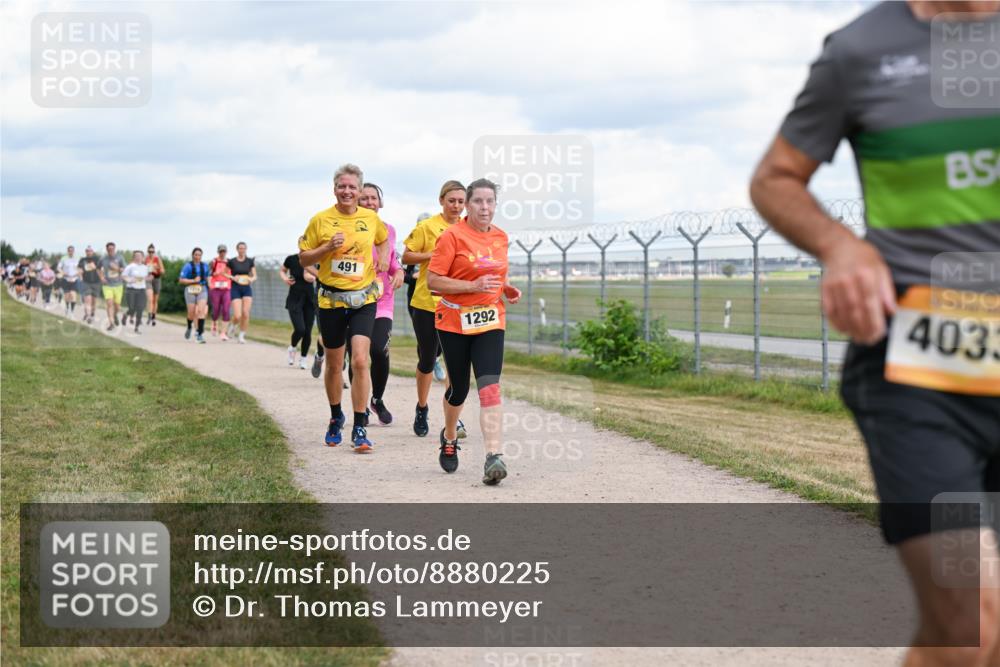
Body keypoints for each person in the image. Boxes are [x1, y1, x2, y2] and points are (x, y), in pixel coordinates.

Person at [749, 2, 1000, 665]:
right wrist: (841, 247)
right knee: (970, 618)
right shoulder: (860, 51)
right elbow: (775, 179)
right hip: (920, 376)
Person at [426, 178, 520, 485]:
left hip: (491, 320)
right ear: (467, 205)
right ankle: (450, 436)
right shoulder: (452, 236)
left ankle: (494, 456)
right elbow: (434, 281)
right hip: (454, 321)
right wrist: (472, 286)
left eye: (490, 201)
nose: (484, 207)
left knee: (490, 386)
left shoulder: (502, 237)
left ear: (495, 205)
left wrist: (505, 289)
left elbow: (491, 274)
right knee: (459, 390)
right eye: (478, 201)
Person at [298, 163, 390, 452]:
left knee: (361, 360)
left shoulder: (370, 219)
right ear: (334, 189)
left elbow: (383, 239)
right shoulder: (320, 220)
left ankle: (360, 426)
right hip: (331, 300)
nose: (347, 191)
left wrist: (384, 259)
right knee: (335, 364)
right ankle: (336, 416)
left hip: (364, 299)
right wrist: (325, 249)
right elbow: (303, 258)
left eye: (352, 187)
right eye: (342, 186)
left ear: (360, 190)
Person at [402, 181, 468, 438]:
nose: (456, 206)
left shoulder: (467, 230)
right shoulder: (427, 227)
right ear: (441, 200)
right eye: (452, 200)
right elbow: (406, 257)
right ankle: (422, 407)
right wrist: (433, 254)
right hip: (426, 303)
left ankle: (454, 420)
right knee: (428, 359)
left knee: (455, 363)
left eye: (461, 201)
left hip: (457, 305)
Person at [352, 182, 405, 425]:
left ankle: (377, 399)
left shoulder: (389, 230)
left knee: (379, 351)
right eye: (364, 198)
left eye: (373, 198)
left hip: (382, 299)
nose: (370, 202)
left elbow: (393, 260)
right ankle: (359, 408)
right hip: (354, 299)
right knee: (358, 356)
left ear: (380, 202)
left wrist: (399, 272)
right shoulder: (350, 228)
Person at [280, 251, 319, 369]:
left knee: (307, 331)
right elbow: (282, 270)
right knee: (300, 329)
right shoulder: (291, 259)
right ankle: (292, 347)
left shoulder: (314, 259)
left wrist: (312, 276)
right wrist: (285, 278)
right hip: (294, 298)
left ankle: (303, 358)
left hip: (309, 299)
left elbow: (314, 276)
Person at [179, 247, 210, 344]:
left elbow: (208, 277)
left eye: (199, 255)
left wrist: (211, 284)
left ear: (201, 256)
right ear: (193, 255)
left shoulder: (205, 266)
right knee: (191, 313)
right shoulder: (187, 266)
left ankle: (199, 334)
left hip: (202, 289)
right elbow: (181, 280)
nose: (197, 256)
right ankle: (189, 327)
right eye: (196, 254)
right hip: (190, 289)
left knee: (201, 311)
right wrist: (193, 280)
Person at [227, 242, 256, 344]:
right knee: (238, 315)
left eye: (244, 248)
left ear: (246, 249)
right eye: (240, 248)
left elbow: (254, 275)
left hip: (246, 288)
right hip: (235, 288)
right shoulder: (232, 261)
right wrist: (233, 277)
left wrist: (251, 279)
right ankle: (233, 325)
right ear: (237, 249)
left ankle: (241, 336)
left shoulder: (249, 261)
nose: (242, 250)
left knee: (246, 313)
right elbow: (226, 273)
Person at [98, 242, 126, 331]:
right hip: (107, 285)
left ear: (115, 249)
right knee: (109, 303)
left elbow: (125, 269)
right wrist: (101, 277)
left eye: (112, 249)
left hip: (118, 285)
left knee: (117, 306)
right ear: (107, 250)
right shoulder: (103, 259)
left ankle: (114, 315)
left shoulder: (120, 257)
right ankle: (111, 323)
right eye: (109, 249)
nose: (111, 250)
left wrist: (116, 268)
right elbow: (98, 268)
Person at [122, 250, 149, 334]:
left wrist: (149, 278)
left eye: (140, 256)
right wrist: (129, 280)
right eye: (136, 256)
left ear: (143, 257)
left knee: (140, 308)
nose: (138, 257)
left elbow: (149, 276)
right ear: (134, 257)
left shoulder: (145, 268)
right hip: (131, 290)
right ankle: (126, 315)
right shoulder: (130, 266)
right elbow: (123, 276)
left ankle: (136, 328)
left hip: (141, 290)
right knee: (132, 308)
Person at [208, 245, 232, 341]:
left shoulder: (230, 262)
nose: (222, 253)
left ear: (226, 252)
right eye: (221, 251)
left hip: (226, 288)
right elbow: (209, 274)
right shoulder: (214, 262)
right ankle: (214, 322)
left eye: (224, 251)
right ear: (218, 252)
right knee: (216, 309)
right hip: (216, 288)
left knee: (226, 309)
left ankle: (223, 333)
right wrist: (210, 283)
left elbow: (232, 274)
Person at [77, 246, 102, 324]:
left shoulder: (97, 259)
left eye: (90, 251)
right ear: (86, 252)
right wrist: (80, 276)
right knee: (87, 299)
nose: (89, 252)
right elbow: (79, 269)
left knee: (94, 301)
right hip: (86, 282)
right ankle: (88, 315)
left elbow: (100, 268)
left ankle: (92, 315)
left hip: (96, 282)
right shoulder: (82, 260)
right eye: (87, 251)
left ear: (92, 251)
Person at [144, 244, 165, 326]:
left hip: (157, 279)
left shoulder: (157, 259)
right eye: (149, 251)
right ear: (147, 251)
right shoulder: (145, 259)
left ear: (154, 252)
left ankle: (153, 317)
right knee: (150, 298)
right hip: (148, 279)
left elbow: (163, 271)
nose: (151, 253)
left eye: (152, 251)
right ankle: (149, 316)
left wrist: (157, 269)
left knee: (155, 300)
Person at [57, 246, 80, 317]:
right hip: (66, 279)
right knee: (67, 296)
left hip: (74, 279)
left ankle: (72, 312)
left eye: (72, 250)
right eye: (69, 250)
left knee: (73, 295)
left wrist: (77, 274)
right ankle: (67, 308)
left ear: (74, 251)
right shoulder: (64, 258)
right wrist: (63, 273)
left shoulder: (78, 258)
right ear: (67, 251)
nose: (71, 252)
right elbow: (58, 268)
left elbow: (81, 268)